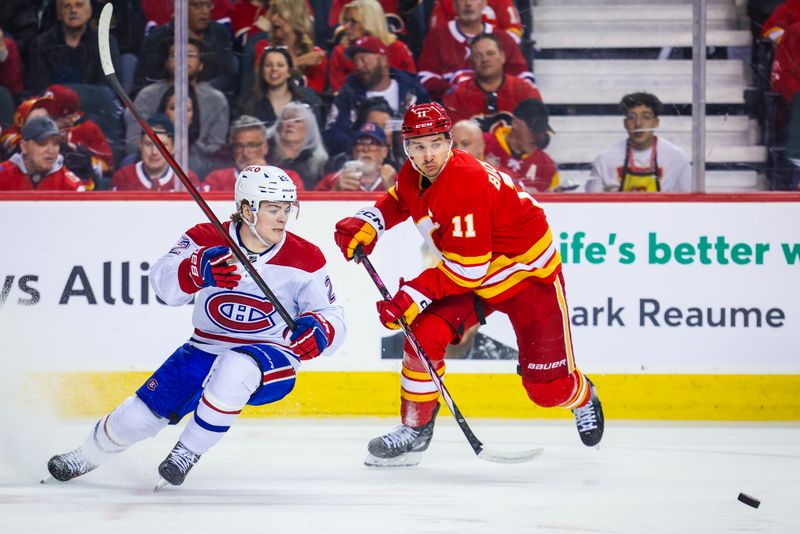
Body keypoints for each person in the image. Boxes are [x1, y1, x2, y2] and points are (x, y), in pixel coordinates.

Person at [333, 102, 604, 467]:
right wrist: (370, 220)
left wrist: (412, 293)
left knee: (547, 390)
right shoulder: (417, 173)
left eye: (435, 144)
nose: (427, 155)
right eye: (417, 146)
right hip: (475, 271)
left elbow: (467, 273)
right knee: (422, 335)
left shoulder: (465, 184)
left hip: (526, 277)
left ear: (449, 142)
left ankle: (582, 396)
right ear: (405, 147)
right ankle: (415, 430)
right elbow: (401, 198)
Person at [46, 165, 346, 488]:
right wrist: (196, 269)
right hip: (203, 348)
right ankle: (86, 455)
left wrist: (319, 331)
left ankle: (186, 452)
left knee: (237, 366)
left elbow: (333, 316)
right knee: (138, 416)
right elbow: (162, 285)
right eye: (273, 209)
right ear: (247, 209)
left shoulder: (305, 257)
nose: (283, 218)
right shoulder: (205, 238)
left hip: (274, 359)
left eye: (287, 209)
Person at [324, 35, 429, 161]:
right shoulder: (348, 93)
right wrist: (364, 142)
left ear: (383, 60)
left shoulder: (412, 89)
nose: (359, 66)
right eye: (355, 62)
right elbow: (332, 134)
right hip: (363, 160)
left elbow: (430, 125)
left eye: (364, 60)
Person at [417, 0, 533, 101]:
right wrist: (455, 93)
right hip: (452, 112)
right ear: (454, 5)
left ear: (484, 3)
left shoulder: (503, 39)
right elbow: (425, 77)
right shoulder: (437, 38)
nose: (468, 3)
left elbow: (524, 78)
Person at [586, 92, 691, 193]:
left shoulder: (676, 157)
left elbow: (690, 202)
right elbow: (590, 203)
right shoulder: (604, 159)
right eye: (632, 117)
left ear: (656, 122)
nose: (638, 124)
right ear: (625, 123)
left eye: (646, 117)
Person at [134, 0, 237, 98]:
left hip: (208, 99)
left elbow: (227, 76)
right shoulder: (157, 39)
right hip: (166, 102)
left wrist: (200, 91)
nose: (205, 11)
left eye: (208, 5)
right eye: (198, 5)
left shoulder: (219, 33)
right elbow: (147, 81)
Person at [444, 33, 542, 127]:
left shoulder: (525, 90)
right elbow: (450, 140)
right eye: (478, 55)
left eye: (490, 53)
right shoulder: (457, 94)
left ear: (503, 57)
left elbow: (539, 137)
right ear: (471, 63)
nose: (485, 59)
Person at [25, 0, 121, 94]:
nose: (73, 10)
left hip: (95, 105)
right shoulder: (40, 44)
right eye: (67, 6)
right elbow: (40, 86)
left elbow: (108, 86)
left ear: (89, 12)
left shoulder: (105, 42)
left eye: (79, 5)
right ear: (59, 13)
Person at [328, 0, 416, 93]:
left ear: (369, 22)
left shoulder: (398, 49)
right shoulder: (340, 52)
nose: (346, 26)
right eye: (346, 21)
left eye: (353, 22)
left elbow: (411, 87)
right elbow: (340, 94)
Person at [202, 114, 305, 192]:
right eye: (239, 146)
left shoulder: (287, 178)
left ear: (265, 147)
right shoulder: (216, 179)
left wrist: (266, 176)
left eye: (252, 145)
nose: (245, 153)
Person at [483, 98, 561, 193]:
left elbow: (555, 203)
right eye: (533, 131)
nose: (536, 137)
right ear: (515, 123)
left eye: (541, 132)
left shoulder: (547, 166)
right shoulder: (483, 145)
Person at [237, 46, 322, 130]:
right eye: (268, 65)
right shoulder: (249, 103)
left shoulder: (307, 101)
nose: (274, 69)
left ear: (289, 72)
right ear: (262, 72)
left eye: (280, 65)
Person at [111, 114, 200, 191]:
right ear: (140, 145)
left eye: (162, 146)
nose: (154, 152)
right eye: (148, 144)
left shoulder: (188, 180)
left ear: (173, 148)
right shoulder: (123, 177)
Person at [0, 115, 85, 191]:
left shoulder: (71, 185)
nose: (51, 151)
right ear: (24, 146)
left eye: (55, 143)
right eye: (42, 144)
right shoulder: (3, 175)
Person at [315, 122, 396, 191]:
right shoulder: (331, 180)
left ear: (384, 152)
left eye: (373, 143)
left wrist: (392, 189)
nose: (366, 149)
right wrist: (336, 190)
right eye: (361, 143)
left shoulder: (397, 180)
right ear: (353, 150)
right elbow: (312, 207)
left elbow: (407, 207)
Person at [269, 102, 329, 190]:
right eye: (285, 119)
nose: (290, 124)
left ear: (310, 128)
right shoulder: (267, 158)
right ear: (278, 126)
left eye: (297, 121)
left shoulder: (322, 164)